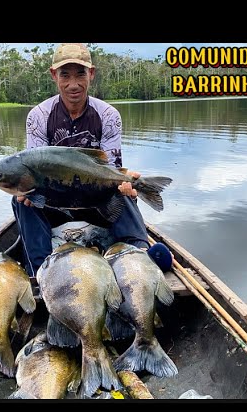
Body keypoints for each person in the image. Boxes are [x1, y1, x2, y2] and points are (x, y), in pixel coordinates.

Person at [12, 42, 151, 278]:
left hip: (97, 202)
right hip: (54, 204)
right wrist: (26, 191)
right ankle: (39, 272)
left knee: (121, 193)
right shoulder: (39, 116)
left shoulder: (108, 115)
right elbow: (32, 169)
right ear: (54, 75)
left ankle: (139, 255)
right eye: (65, 74)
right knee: (21, 202)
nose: (73, 84)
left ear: (92, 74)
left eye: (80, 74)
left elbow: (112, 170)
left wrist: (127, 182)